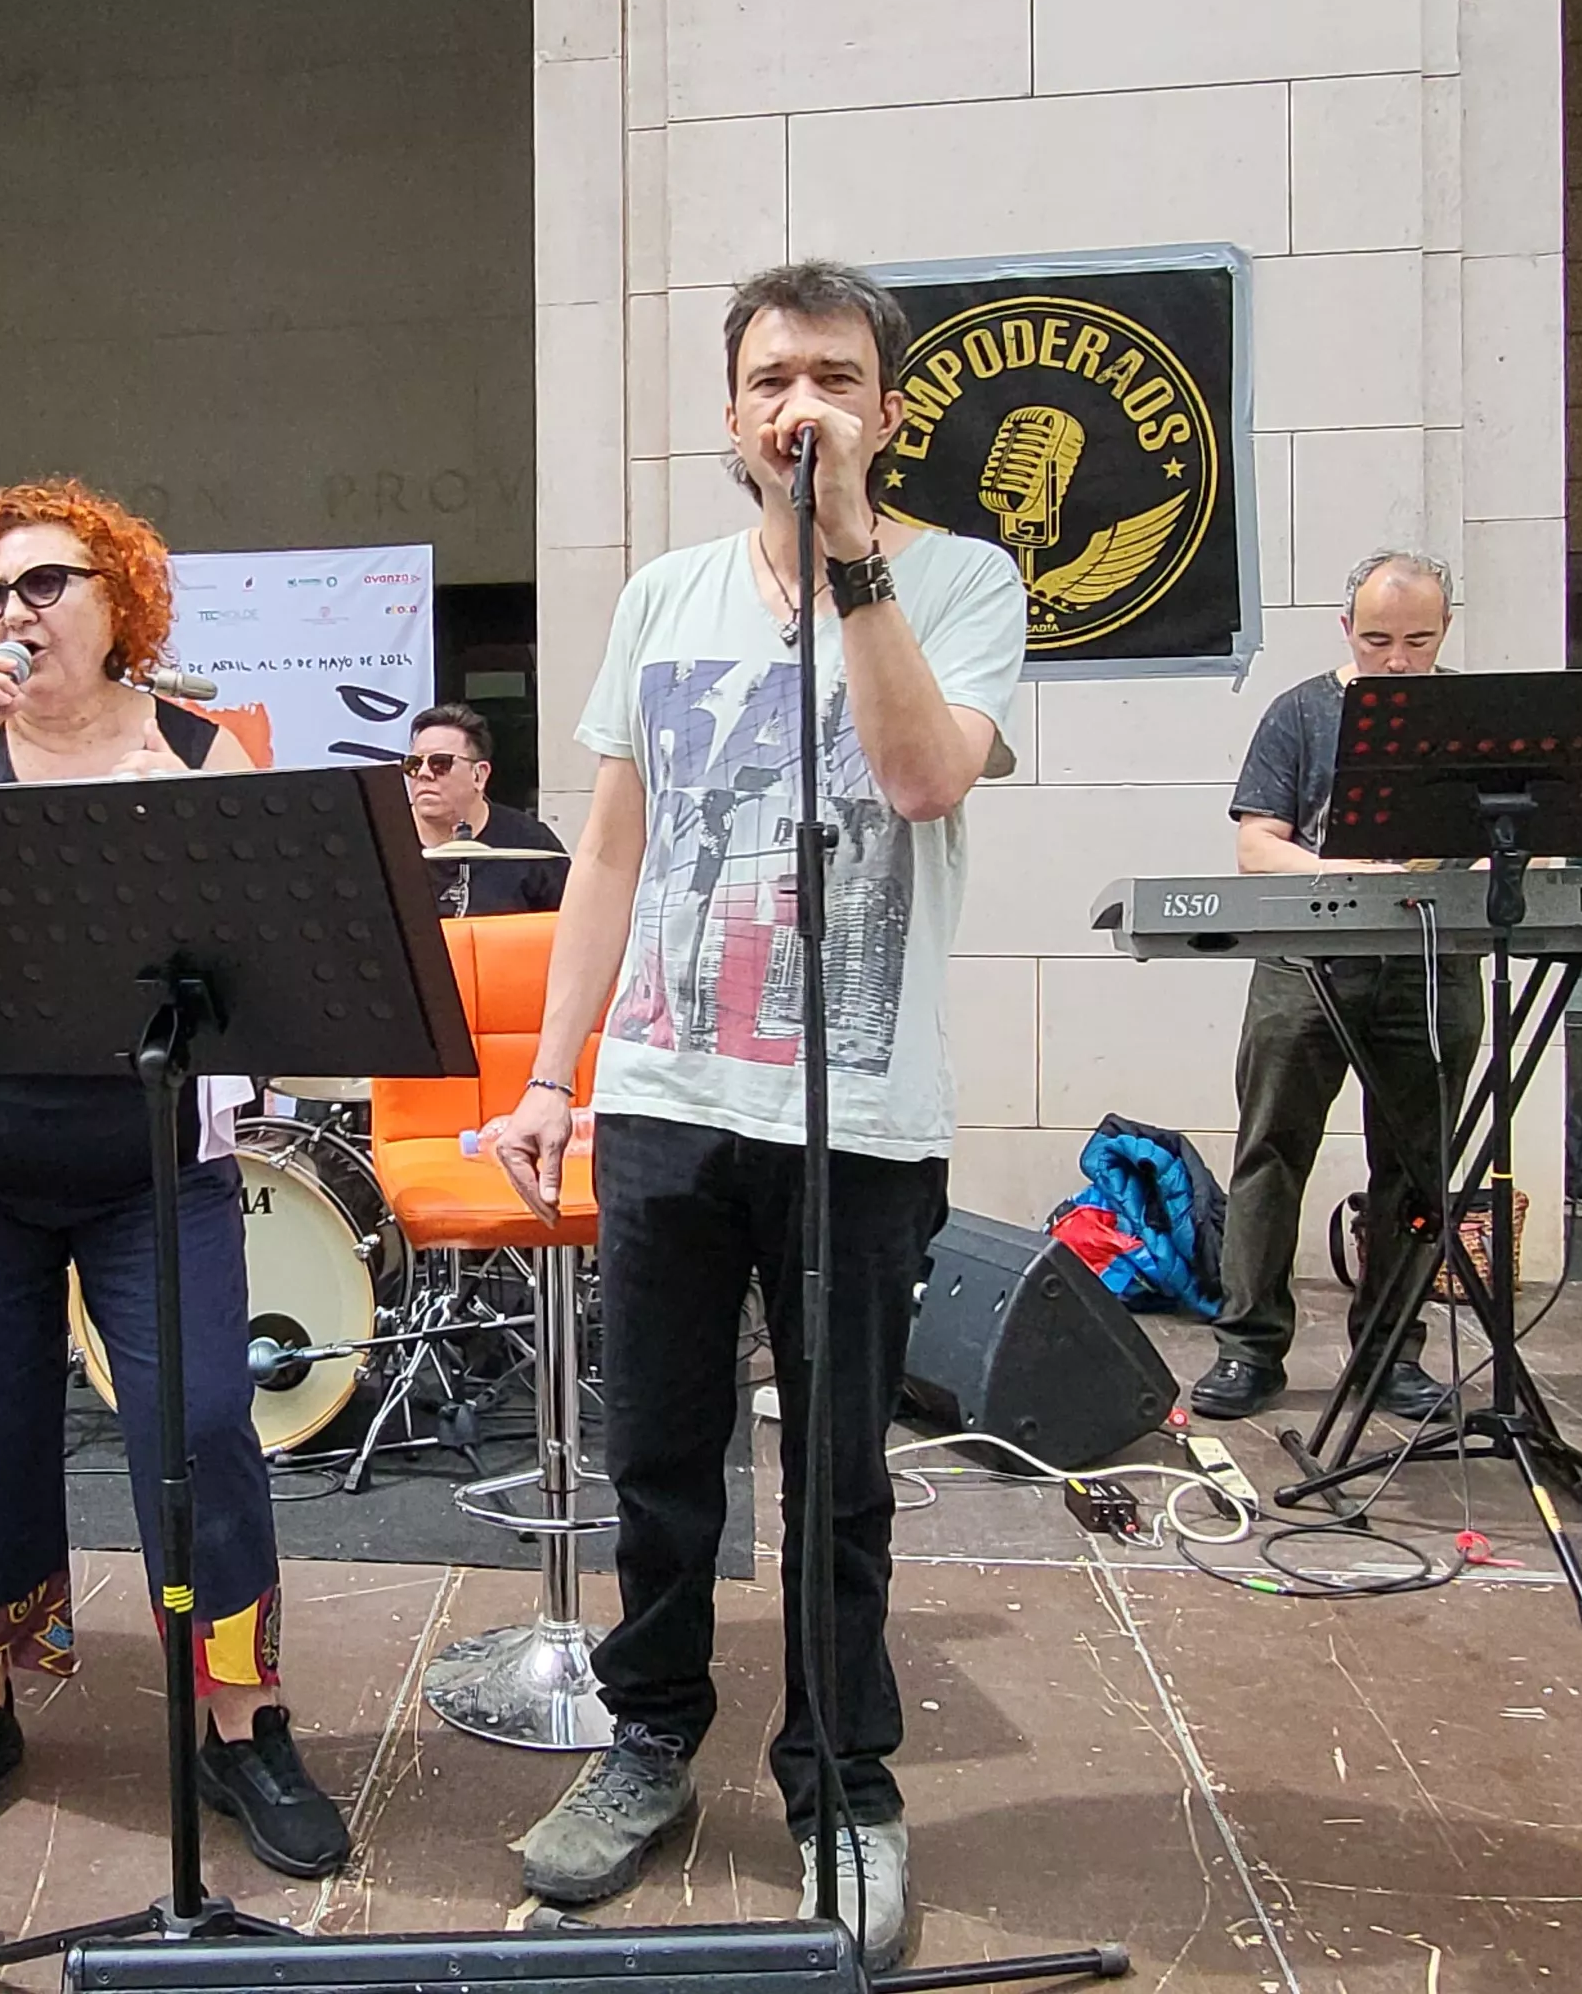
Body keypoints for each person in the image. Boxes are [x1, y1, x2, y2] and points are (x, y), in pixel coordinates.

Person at [492, 261, 1028, 1969]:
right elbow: (611, 853)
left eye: (840, 376)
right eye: (776, 376)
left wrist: (852, 552)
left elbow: (925, 775)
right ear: (731, 415)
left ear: (883, 409)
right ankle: (649, 1740)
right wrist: (555, 1071)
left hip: (857, 1110)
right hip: (664, 1095)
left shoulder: (961, 581)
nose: (806, 401)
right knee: (659, 1455)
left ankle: (843, 1779)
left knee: (842, 1476)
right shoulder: (662, 596)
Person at [0, 477, 354, 1879]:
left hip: (147, 1169)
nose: (14, 613)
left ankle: (242, 1724)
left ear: (122, 602)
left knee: (207, 1430)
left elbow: (264, 967)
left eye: (47, 584)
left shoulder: (200, 749)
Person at [1190, 552, 1483, 1425]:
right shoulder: (1303, 711)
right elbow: (1256, 846)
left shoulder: (1472, 717)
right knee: (1271, 1151)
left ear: (1445, 634)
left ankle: (1391, 1351)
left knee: (1417, 1164)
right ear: (1346, 628)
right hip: (1308, 961)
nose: (1398, 660)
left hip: (1430, 959)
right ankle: (1249, 1349)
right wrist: (1339, 867)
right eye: (1380, 638)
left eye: (1419, 641)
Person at [404, 702, 568, 915]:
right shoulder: (379, 841)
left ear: (478, 775)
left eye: (440, 763)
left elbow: (577, 927)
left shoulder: (530, 843)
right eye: (414, 764)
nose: (423, 773)